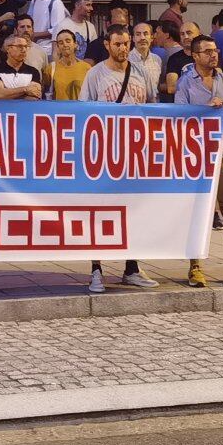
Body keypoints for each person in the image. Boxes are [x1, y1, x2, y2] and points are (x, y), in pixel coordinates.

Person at [76, 24, 154, 291]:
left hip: (135, 153)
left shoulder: (140, 71)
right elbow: (84, 113)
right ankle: (96, 269)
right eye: (118, 44)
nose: (123, 49)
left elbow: (154, 108)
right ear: (107, 45)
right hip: (106, 153)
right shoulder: (95, 74)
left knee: (134, 211)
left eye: (126, 44)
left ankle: (131, 267)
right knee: (100, 212)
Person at [176, 34, 223, 287]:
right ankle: (195, 266)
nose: (213, 55)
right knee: (199, 215)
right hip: (199, 157)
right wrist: (207, 108)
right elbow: (179, 117)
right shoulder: (185, 83)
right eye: (207, 51)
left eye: (215, 50)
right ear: (195, 55)